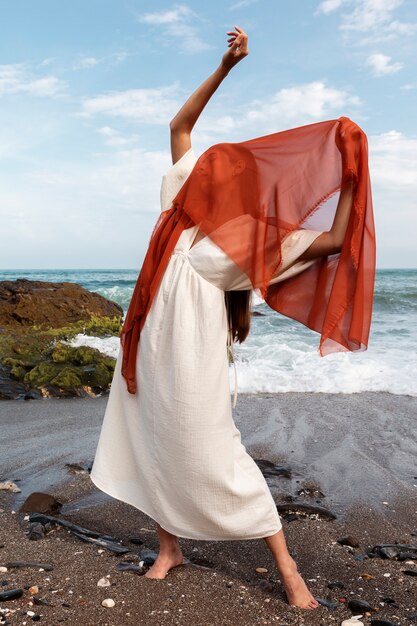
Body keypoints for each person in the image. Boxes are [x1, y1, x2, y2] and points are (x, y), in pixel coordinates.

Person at [90, 26, 370, 611]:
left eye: (216, 171)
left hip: (193, 366)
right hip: (142, 352)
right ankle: (170, 548)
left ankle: (289, 569)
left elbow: (341, 238)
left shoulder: (251, 242)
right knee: (149, 446)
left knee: (217, 454)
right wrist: (226, 67)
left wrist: (350, 176)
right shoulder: (175, 206)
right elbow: (178, 127)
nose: (203, 172)